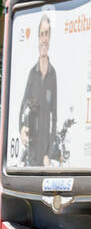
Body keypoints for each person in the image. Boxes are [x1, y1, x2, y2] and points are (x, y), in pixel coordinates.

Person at [19, 13, 59, 167]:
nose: (44, 39)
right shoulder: (32, 73)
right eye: (41, 34)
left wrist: (49, 153)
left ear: (50, 38)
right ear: (38, 38)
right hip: (31, 154)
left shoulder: (53, 75)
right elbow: (23, 106)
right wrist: (21, 128)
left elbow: (54, 118)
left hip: (45, 157)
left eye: (47, 34)